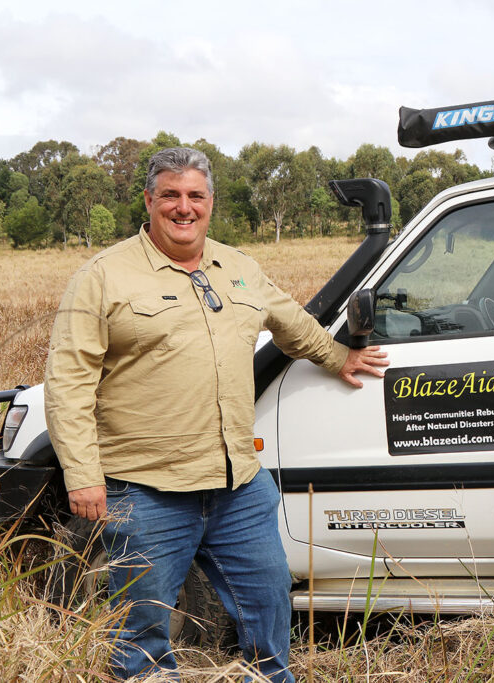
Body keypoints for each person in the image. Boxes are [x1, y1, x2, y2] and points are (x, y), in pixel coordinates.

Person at [44, 147, 388, 681]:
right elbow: (69, 382)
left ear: (210, 202)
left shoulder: (240, 267)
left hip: (238, 489)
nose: (184, 208)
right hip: (145, 489)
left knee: (270, 607)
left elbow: (292, 322)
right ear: (150, 200)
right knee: (145, 635)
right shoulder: (102, 275)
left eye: (195, 196)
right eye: (171, 196)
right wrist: (82, 474)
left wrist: (339, 355)